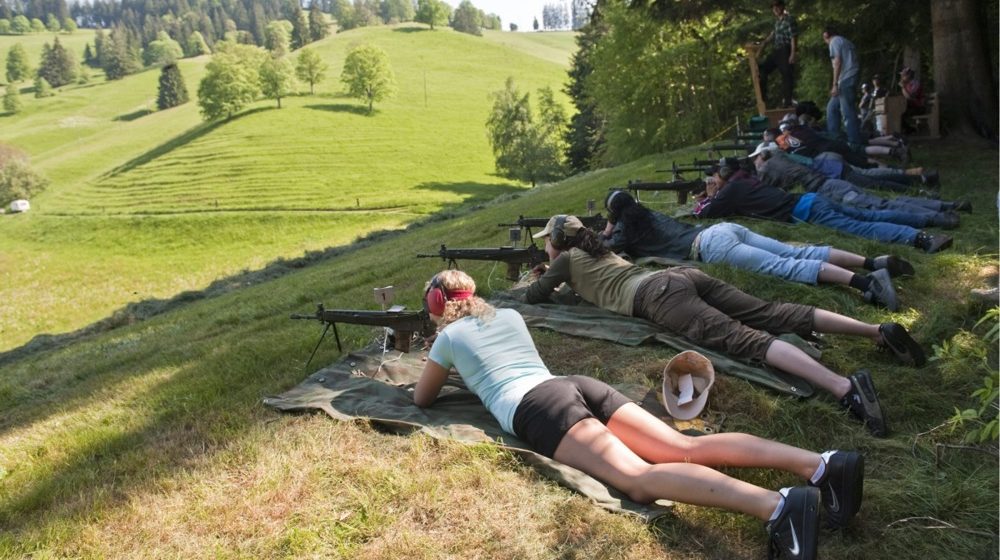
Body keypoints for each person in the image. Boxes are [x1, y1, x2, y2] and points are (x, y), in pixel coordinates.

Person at [415, 269, 865, 560]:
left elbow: (423, 398)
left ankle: (777, 508)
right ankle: (821, 464)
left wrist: (440, 358)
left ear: (437, 305)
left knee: (637, 479)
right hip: (574, 385)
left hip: (538, 407)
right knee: (684, 446)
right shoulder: (510, 315)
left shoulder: (448, 338)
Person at [524, 216, 930, 438]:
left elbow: (535, 295)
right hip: (680, 276)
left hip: (657, 297)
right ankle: (876, 331)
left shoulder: (566, 260)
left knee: (746, 340)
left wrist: (546, 268)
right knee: (771, 312)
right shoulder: (598, 251)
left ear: (558, 240)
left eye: (547, 240)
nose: (545, 244)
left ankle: (845, 389)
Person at [601, 189, 908, 310]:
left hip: (710, 247)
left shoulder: (627, 230)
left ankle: (868, 284)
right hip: (722, 230)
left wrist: (608, 228)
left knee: (785, 267)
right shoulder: (648, 214)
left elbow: (608, 246)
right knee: (796, 252)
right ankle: (872, 263)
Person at [694, 158, 954, 253]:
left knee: (863, 227)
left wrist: (710, 196)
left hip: (807, 210)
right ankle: (935, 219)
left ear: (723, 176)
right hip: (811, 199)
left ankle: (923, 238)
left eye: (714, 176)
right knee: (870, 215)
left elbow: (706, 214)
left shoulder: (731, 190)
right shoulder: (744, 182)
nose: (712, 180)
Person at [750, 143, 961, 228]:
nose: (755, 162)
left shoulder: (767, 168)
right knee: (883, 200)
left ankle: (939, 216)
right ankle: (944, 206)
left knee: (880, 206)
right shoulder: (782, 157)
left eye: (755, 158)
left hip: (829, 190)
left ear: (763, 155)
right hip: (833, 183)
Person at [822, 24, 862, 145]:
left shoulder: (834, 41)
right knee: (832, 108)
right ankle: (834, 139)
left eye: (824, 38)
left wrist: (834, 84)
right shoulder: (846, 42)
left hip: (846, 79)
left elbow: (837, 62)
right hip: (850, 77)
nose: (825, 42)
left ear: (826, 35)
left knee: (847, 111)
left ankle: (854, 143)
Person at [758, 0, 799, 108]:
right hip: (777, 50)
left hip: (786, 50)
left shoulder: (789, 20)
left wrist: (793, 53)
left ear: (782, 7)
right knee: (762, 69)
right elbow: (773, 34)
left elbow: (793, 37)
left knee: (787, 75)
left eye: (777, 6)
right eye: (773, 7)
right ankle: (763, 98)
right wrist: (764, 43)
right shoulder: (777, 22)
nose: (775, 9)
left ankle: (787, 102)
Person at [898, 67, 926, 133]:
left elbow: (909, 97)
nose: (901, 77)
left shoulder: (915, 84)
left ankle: (910, 130)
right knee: (897, 113)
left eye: (903, 75)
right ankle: (909, 130)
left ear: (909, 75)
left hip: (918, 108)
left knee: (900, 115)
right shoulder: (907, 84)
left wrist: (903, 87)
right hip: (910, 107)